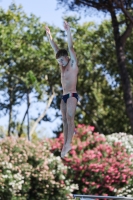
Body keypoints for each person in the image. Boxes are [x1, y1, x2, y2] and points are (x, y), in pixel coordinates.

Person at [45, 21, 79, 158]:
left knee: (70, 118)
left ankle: (69, 142)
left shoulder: (72, 64)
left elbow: (70, 47)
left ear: (67, 57)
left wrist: (68, 31)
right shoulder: (62, 66)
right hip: (64, 96)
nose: (61, 63)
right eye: (59, 61)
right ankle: (66, 144)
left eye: (62, 60)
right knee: (64, 120)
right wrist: (49, 37)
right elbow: (55, 49)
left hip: (72, 94)